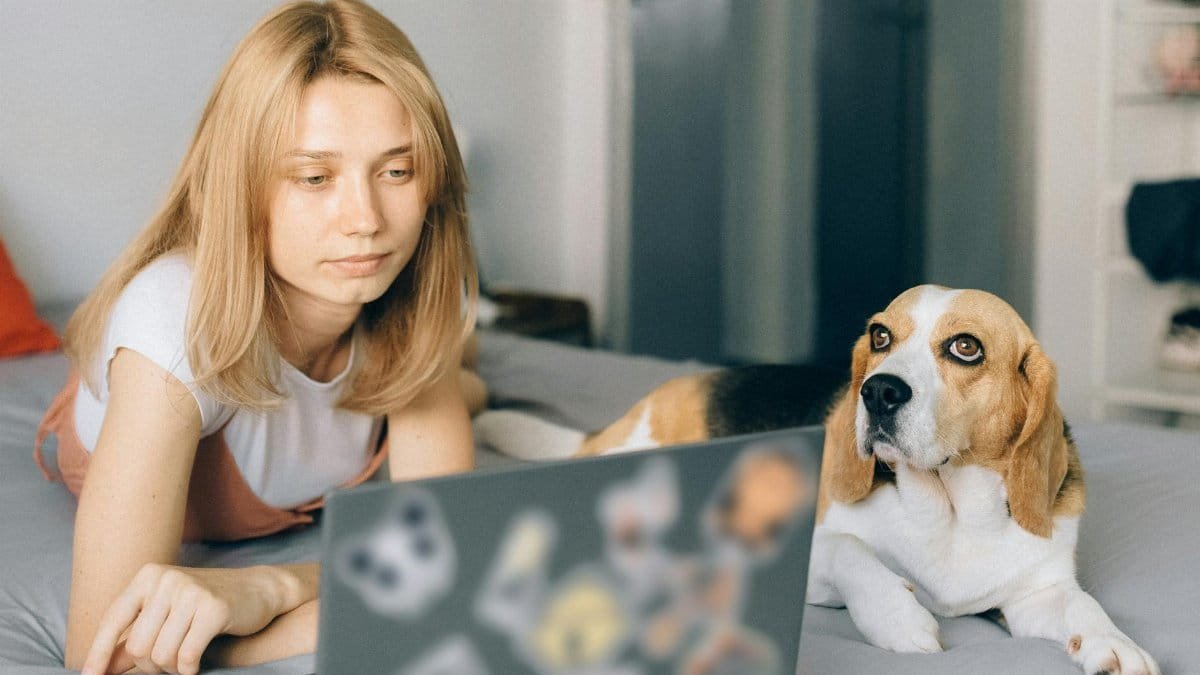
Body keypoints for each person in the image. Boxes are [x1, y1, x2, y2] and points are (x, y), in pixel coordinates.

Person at [31, 1, 486, 672]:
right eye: (313, 177)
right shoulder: (173, 332)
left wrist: (278, 584)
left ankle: (472, 375)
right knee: (461, 384)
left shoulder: (412, 285)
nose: (365, 220)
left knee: (460, 370)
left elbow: (449, 557)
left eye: (397, 171)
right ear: (244, 186)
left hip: (335, 386)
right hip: (176, 406)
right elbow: (111, 654)